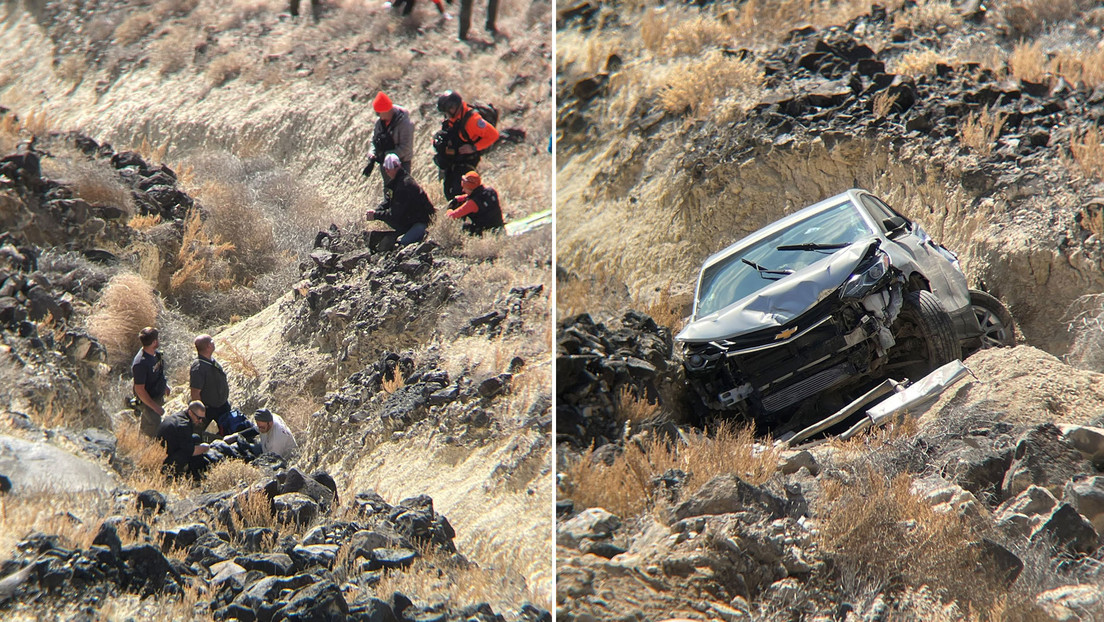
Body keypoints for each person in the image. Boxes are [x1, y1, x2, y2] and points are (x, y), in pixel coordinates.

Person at [432, 90, 499, 200]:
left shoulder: (473, 120)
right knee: (448, 190)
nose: (447, 114)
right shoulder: (451, 118)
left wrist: (473, 148)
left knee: (460, 190)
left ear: (456, 106)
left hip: (467, 160)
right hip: (454, 159)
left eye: (449, 110)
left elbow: (493, 135)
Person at [366, 154, 435, 250]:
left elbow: (394, 214)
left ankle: (423, 238)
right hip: (409, 222)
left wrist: (376, 215)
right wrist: (376, 211)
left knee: (401, 246)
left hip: (420, 225)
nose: (387, 171)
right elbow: (387, 201)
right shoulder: (398, 182)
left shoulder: (404, 185)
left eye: (388, 169)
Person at [362, 92, 416, 184]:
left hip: (401, 165)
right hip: (385, 165)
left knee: (402, 192)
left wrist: (386, 155)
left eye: (379, 113)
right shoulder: (380, 123)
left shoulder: (405, 124)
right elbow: (374, 140)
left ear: (386, 110)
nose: (379, 117)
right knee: (388, 192)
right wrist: (372, 155)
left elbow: (406, 148)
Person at [189, 334, 236, 436]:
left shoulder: (210, 360)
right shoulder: (198, 367)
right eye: (212, 341)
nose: (214, 342)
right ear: (208, 346)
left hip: (222, 406)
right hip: (208, 409)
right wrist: (200, 414)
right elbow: (195, 393)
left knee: (228, 430)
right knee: (196, 433)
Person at [132, 326, 170, 438]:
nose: (159, 340)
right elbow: (139, 390)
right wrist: (155, 407)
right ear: (154, 342)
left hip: (156, 396)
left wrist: (165, 386)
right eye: (157, 339)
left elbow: (158, 372)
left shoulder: (155, 354)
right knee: (155, 428)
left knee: (148, 426)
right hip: (148, 401)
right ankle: (149, 451)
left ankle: (141, 442)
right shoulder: (140, 363)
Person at [158, 401, 211, 481]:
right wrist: (206, 447)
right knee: (193, 450)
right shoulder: (183, 425)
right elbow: (191, 451)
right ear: (190, 412)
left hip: (166, 450)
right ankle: (196, 477)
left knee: (195, 438)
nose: (200, 421)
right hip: (166, 461)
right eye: (199, 418)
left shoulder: (179, 416)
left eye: (202, 419)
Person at [446, 170, 504, 235]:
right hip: (500, 227)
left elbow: (452, 216)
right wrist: (460, 198)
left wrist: (449, 209)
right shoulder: (490, 190)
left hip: (487, 233)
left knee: (465, 227)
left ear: (470, 188)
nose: (463, 190)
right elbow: (478, 195)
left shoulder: (472, 203)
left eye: (464, 188)